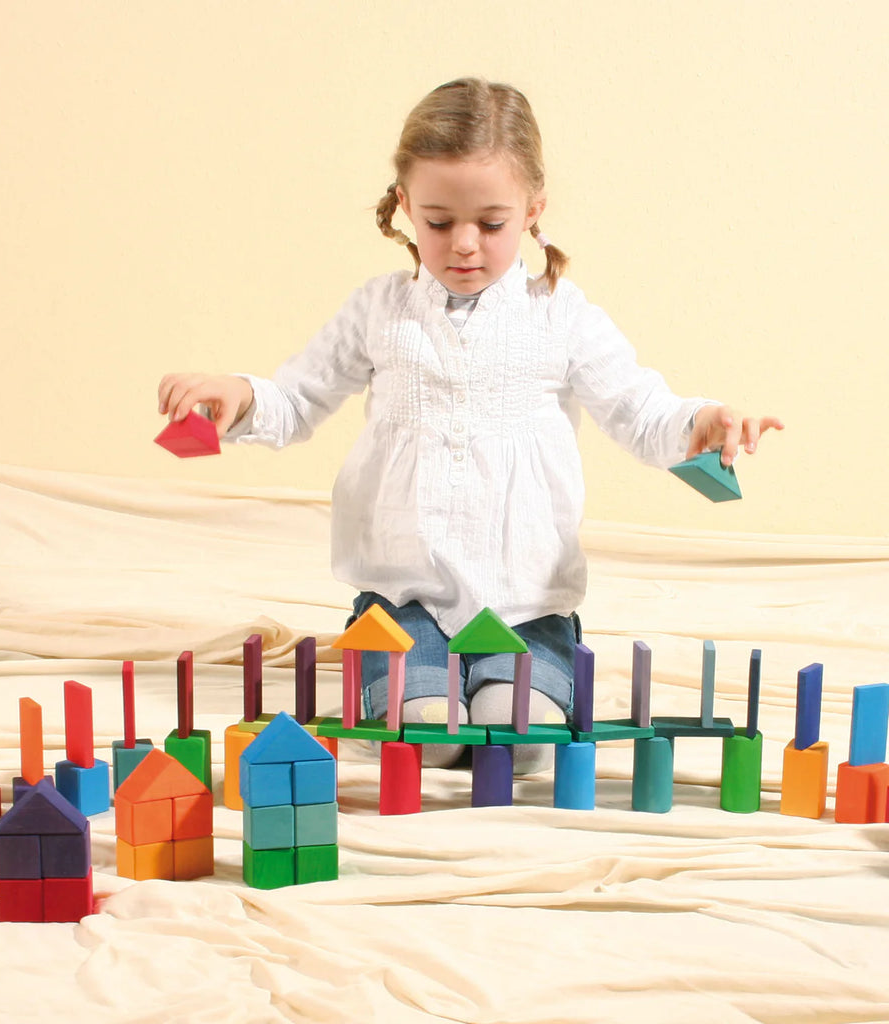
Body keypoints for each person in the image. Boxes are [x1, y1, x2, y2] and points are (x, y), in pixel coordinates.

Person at [157, 77, 782, 773]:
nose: (463, 245)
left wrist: (701, 421)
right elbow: (297, 399)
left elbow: (640, 410)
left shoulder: (561, 314)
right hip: (402, 603)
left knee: (517, 743)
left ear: (533, 210)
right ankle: (415, 671)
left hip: (526, 603)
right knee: (434, 737)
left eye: (490, 223)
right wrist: (237, 397)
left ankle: (527, 667)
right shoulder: (380, 310)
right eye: (437, 221)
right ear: (404, 207)